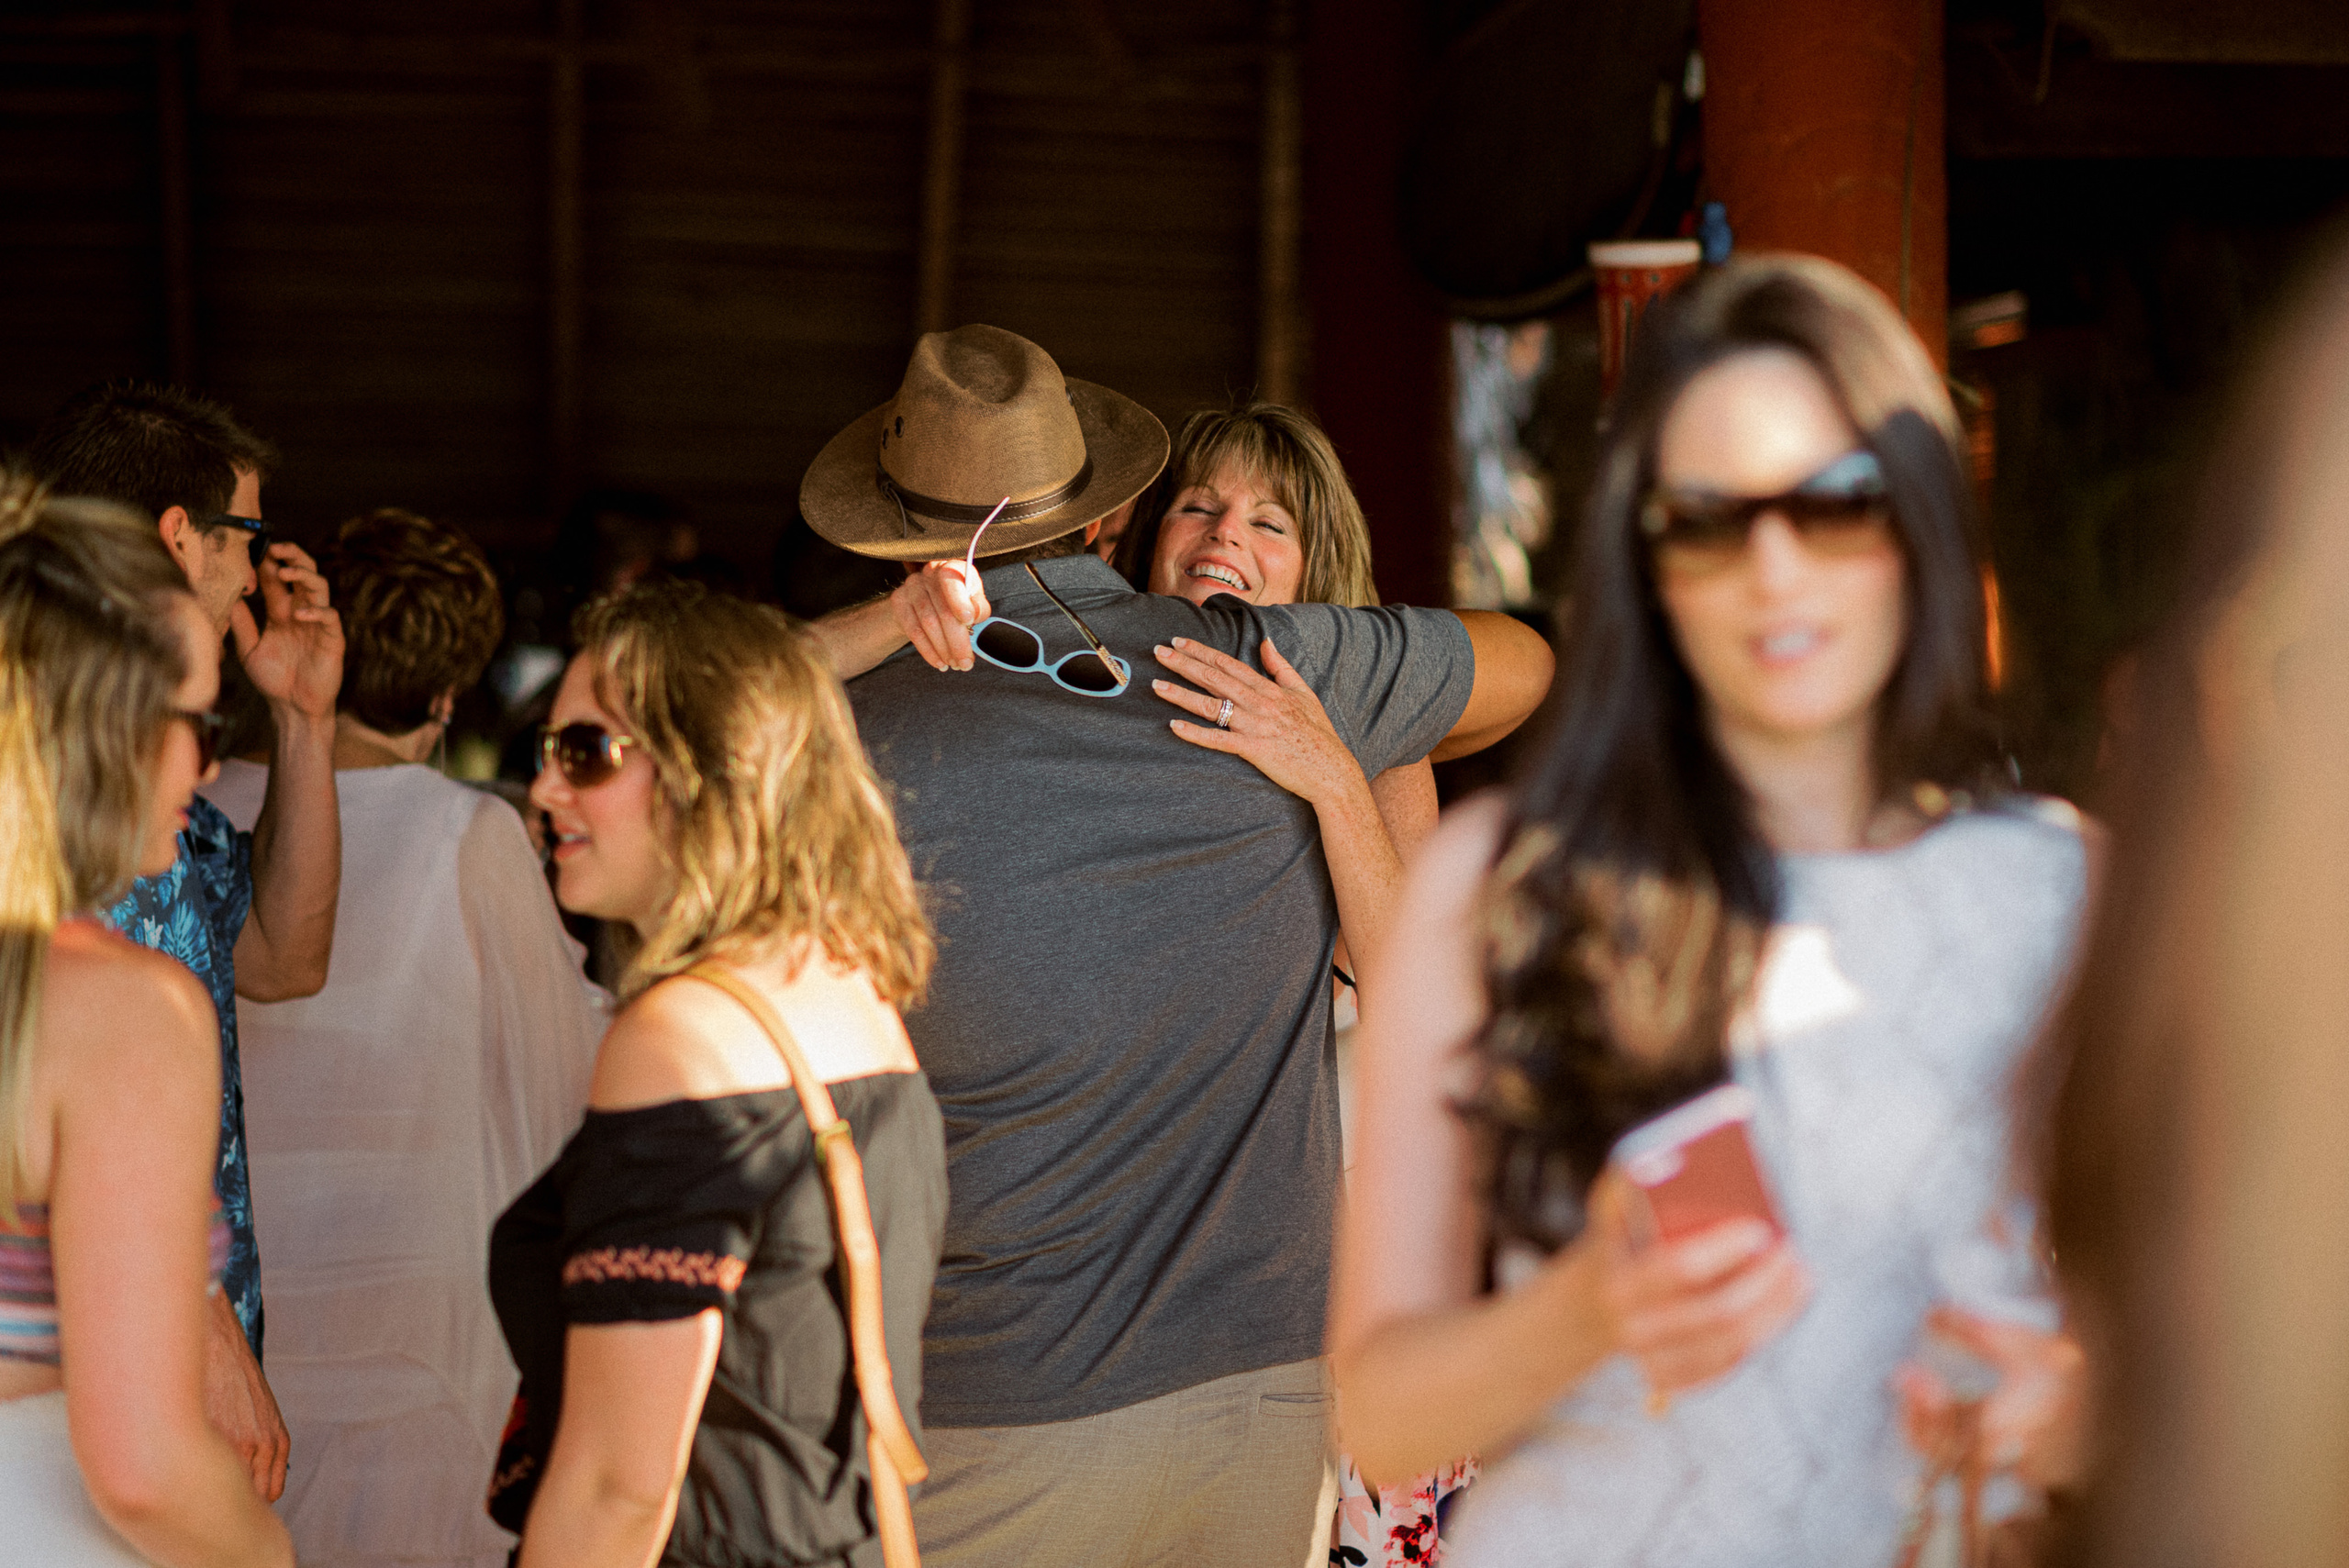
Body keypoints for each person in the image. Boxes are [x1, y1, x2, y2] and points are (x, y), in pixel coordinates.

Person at [1328, 254, 2089, 1567]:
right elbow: (1379, 1414)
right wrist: (1582, 1312)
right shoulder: (1502, 886)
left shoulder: (2056, 889)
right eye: (1708, 520)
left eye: (1835, 504)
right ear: (1647, 564)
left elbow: (2227, 1348)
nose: (1775, 568)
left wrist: (2074, 1409)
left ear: (1916, 525)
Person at [801, 324, 1553, 1566]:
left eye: (1269, 522)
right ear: (1119, 523)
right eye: (1199, 508)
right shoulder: (1271, 665)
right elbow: (1524, 663)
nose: (1223, 540)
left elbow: (683, 705)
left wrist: (1333, 759)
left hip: (1185, 1343)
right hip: (1225, 1367)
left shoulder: (1315, 686)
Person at [487, 581, 946, 1568]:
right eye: (546, 751)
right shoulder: (853, 987)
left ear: (709, 769)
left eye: (586, 752)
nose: (545, 789)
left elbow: (620, 1486)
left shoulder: (679, 1036)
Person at [195, 508, 606, 1568]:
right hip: (414, 1348)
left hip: (220, 1320)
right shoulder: (468, 829)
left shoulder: (189, 811)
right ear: (446, 694)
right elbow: (572, 1070)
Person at [29, 380, 346, 1498]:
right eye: (246, 535)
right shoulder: (43, 774)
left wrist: (304, 720)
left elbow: (282, 959)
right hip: (83, 1347)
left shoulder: (156, 795)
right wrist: (201, 1318)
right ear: (181, 534)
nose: (255, 574)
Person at [0, 480, 295, 1566]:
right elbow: (142, 1465)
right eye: (195, 720)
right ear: (105, 722)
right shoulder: (116, 1004)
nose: (207, 765)